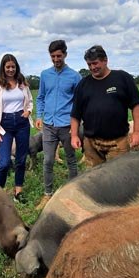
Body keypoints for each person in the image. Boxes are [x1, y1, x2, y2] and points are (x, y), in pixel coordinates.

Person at [70, 45, 139, 166]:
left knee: (119, 175)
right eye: (89, 64)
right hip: (91, 144)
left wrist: (137, 132)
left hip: (118, 143)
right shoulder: (83, 84)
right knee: (94, 177)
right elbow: (75, 114)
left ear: (105, 60)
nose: (92, 67)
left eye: (95, 63)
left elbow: (136, 106)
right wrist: (74, 136)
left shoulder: (122, 78)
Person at [35, 40, 82, 207]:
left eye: (59, 56)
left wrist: (76, 124)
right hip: (48, 125)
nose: (56, 59)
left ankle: (74, 193)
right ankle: (47, 194)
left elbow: (79, 102)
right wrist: (39, 116)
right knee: (48, 160)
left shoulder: (75, 76)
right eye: (53, 56)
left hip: (67, 125)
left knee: (71, 159)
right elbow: (41, 97)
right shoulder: (45, 75)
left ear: (65, 55)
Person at [0, 53, 34, 201]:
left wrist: (28, 111)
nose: (11, 69)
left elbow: (30, 101)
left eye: (13, 66)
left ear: (16, 67)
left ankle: (18, 192)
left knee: (21, 159)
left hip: (22, 123)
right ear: (3, 68)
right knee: (4, 162)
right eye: (8, 67)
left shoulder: (22, 82)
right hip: (5, 125)